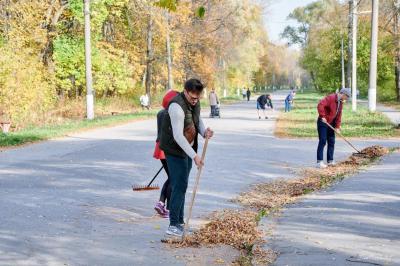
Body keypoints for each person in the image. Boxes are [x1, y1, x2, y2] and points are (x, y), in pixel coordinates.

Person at [159, 78, 214, 238]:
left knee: (182, 184)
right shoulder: (176, 107)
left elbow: (198, 120)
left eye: (198, 97)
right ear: (185, 91)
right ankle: (173, 224)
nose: (195, 100)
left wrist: (204, 132)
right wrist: (195, 156)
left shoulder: (195, 103)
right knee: (178, 185)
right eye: (192, 97)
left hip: (188, 148)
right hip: (175, 149)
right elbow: (178, 136)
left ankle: (180, 222)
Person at [153, 90, 179, 218]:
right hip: (168, 148)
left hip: (159, 147)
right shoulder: (172, 114)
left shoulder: (160, 113)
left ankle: (161, 203)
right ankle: (168, 208)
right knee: (174, 178)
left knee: (171, 177)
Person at [316, 88, 351, 168]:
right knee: (323, 140)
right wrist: (322, 116)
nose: (347, 99)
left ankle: (330, 160)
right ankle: (319, 161)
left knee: (331, 141)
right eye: (347, 97)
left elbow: (338, 116)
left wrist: (337, 127)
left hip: (331, 123)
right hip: (323, 122)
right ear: (343, 94)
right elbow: (320, 105)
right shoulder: (331, 98)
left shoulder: (341, 102)